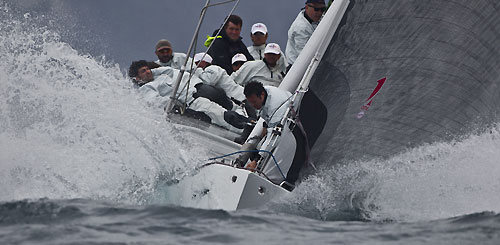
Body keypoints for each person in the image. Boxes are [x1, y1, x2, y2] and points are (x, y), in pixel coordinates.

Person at [128, 60, 245, 131]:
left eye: (148, 69)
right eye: (143, 71)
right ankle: (245, 130)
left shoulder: (163, 74)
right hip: (192, 103)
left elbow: (171, 71)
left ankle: (250, 122)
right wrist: (176, 108)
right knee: (222, 116)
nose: (148, 72)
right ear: (137, 78)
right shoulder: (146, 88)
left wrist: (154, 71)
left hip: (199, 90)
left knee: (232, 107)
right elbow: (156, 102)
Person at [242, 82, 306, 189]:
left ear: (261, 95)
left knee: (291, 160)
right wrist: (265, 125)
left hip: (293, 129)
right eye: (250, 102)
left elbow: (273, 138)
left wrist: (256, 161)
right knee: (260, 147)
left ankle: (287, 185)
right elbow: (266, 115)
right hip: (281, 123)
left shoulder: (275, 106)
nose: (253, 105)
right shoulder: (265, 91)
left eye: (254, 102)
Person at [285, 0, 326, 66]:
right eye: (316, 9)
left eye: (322, 9)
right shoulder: (300, 28)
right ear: (307, 7)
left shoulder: (319, 18)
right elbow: (305, 57)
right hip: (298, 70)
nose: (319, 12)